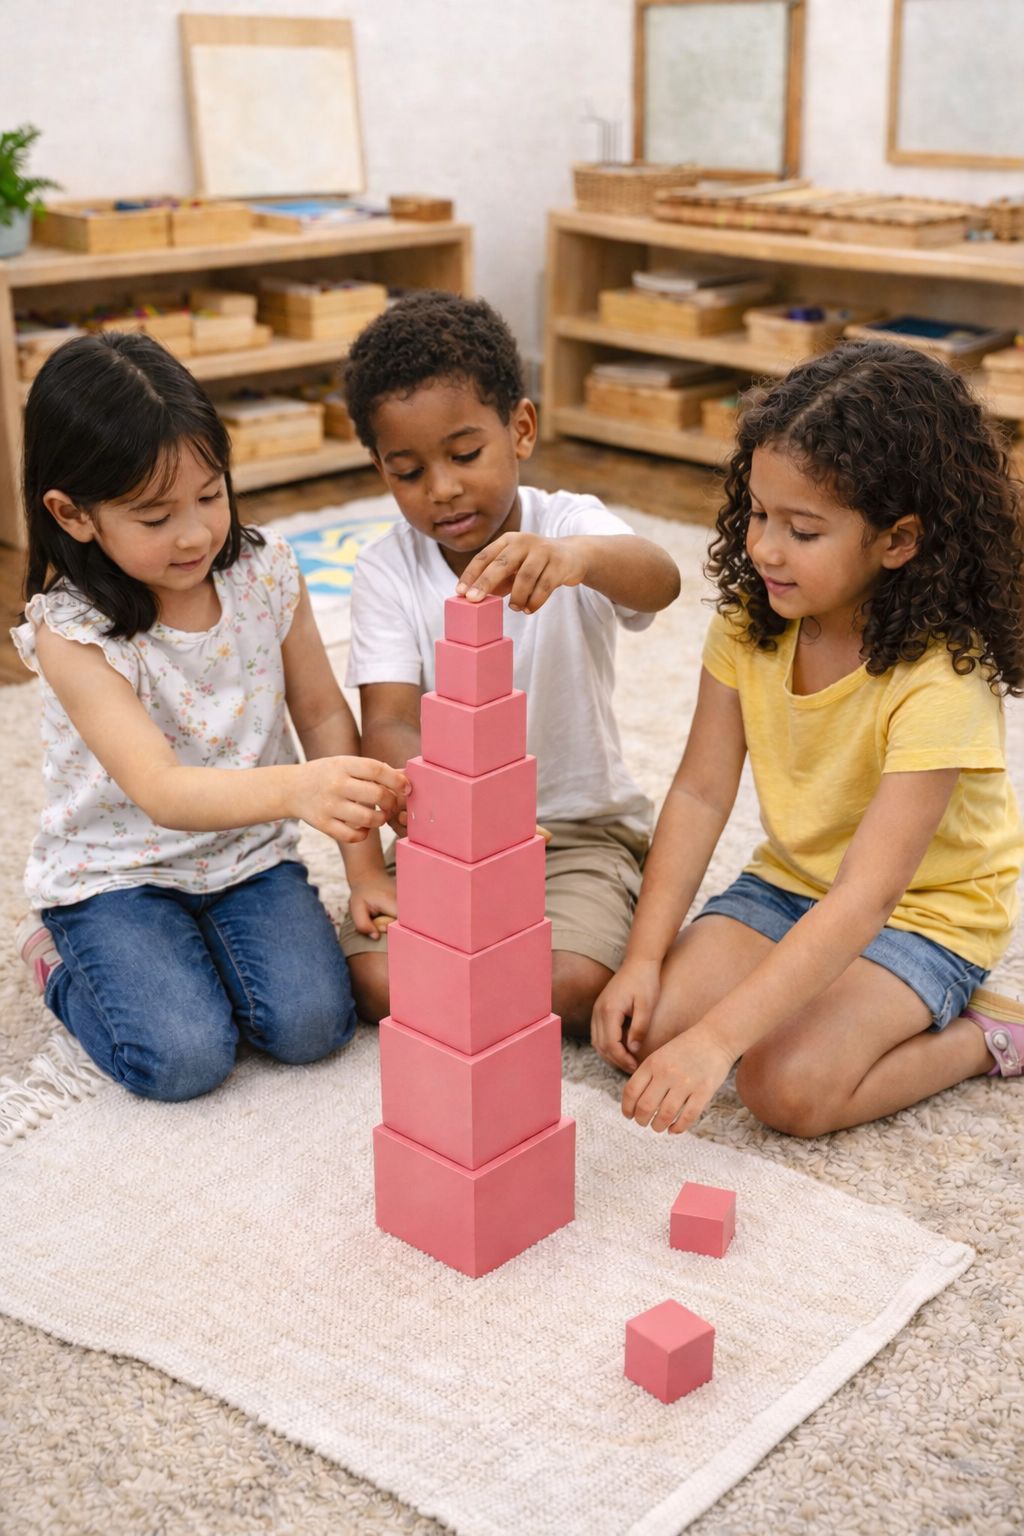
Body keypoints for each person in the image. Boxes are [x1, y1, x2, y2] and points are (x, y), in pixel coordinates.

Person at [592, 340, 1024, 1137]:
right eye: (757, 513)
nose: (762, 548)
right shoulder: (751, 621)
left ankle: (985, 1037)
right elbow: (699, 789)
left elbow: (869, 895)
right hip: (790, 886)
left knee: (784, 1089)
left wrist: (722, 1040)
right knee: (650, 1028)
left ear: (899, 541)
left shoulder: (941, 680)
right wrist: (643, 960)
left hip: (926, 915)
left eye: (803, 530)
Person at [13, 332, 408, 1102]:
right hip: (116, 876)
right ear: (74, 513)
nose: (194, 532)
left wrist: (364, 868)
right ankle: (58, 964)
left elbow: (325, 714)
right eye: (156, 516)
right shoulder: (71, 631)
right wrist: (297, 789)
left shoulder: (265, 573)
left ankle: (187, 952)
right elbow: (160, 789)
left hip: (248, 858)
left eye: (210, 496)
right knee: (183, 1058)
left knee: (314, 1026)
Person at [338, 290, 681, 1032]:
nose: (444, 488)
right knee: (373, 984)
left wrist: (579, 559)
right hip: (447, 837)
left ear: (521, 429)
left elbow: (661, 578)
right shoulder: (386, 571)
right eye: (408, 471)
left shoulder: (568, 526)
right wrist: (465, 822)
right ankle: (481, 984)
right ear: (380, 469)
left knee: (573, 982)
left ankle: (597, 910)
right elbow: (389, 724)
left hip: (578, 829)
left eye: (465, 455)